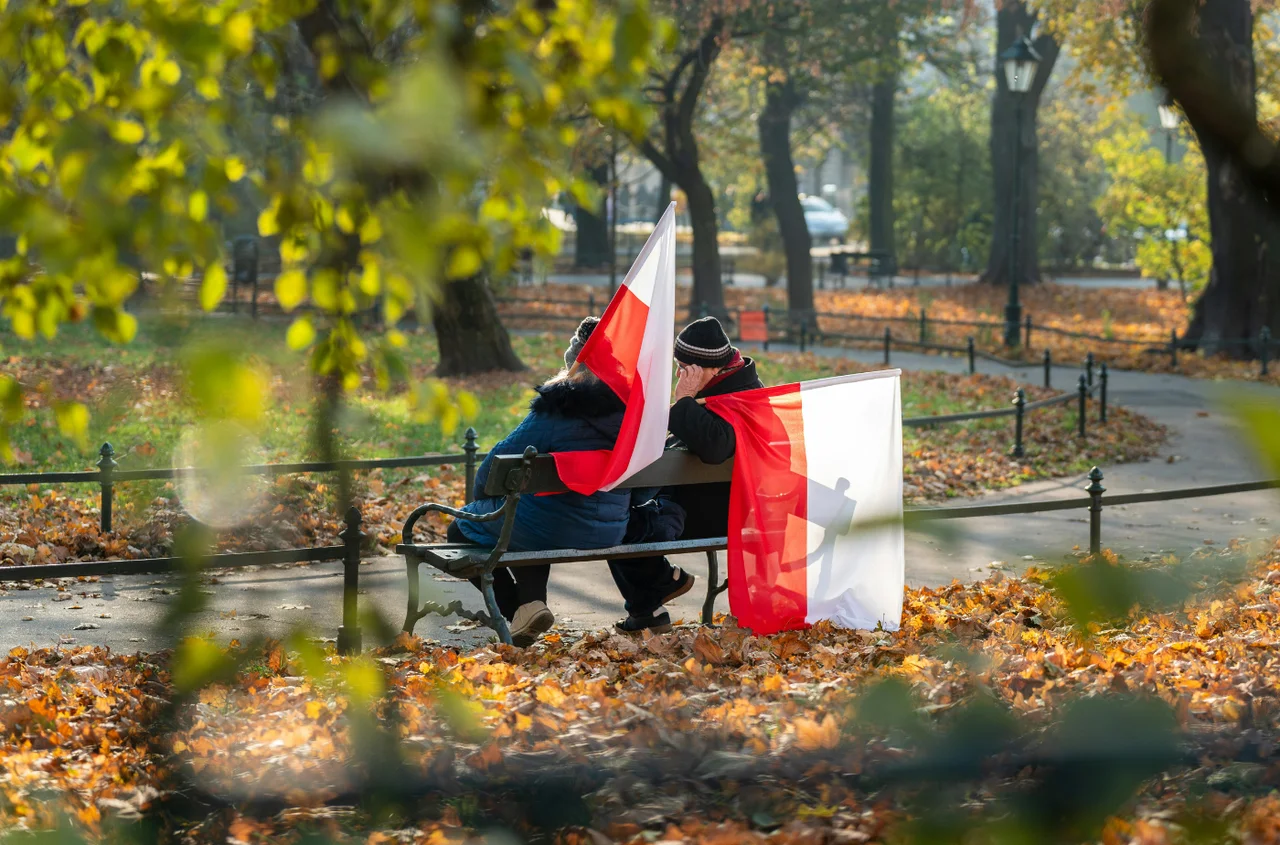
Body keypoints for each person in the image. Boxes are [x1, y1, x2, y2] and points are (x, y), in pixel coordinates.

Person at [447, 317, 630, 646]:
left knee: (460, 529)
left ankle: (518, 610)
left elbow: (496, 467)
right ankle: (529, 611)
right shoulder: (632, 412)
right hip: (613, 529)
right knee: (532, 510)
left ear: (574, 365)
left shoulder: (557, 408)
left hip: (553, 526)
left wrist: (483, 504)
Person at [609, 316, 764, 633]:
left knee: (614, 526)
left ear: (711, 368)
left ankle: (656, 593)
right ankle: (651, 601)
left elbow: (715, 447)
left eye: (686, 368)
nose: (680, 375)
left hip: (718, 513)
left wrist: (683, 399)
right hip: (690, 504)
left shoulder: (743, 398)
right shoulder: (724, 387)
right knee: (614, 521)